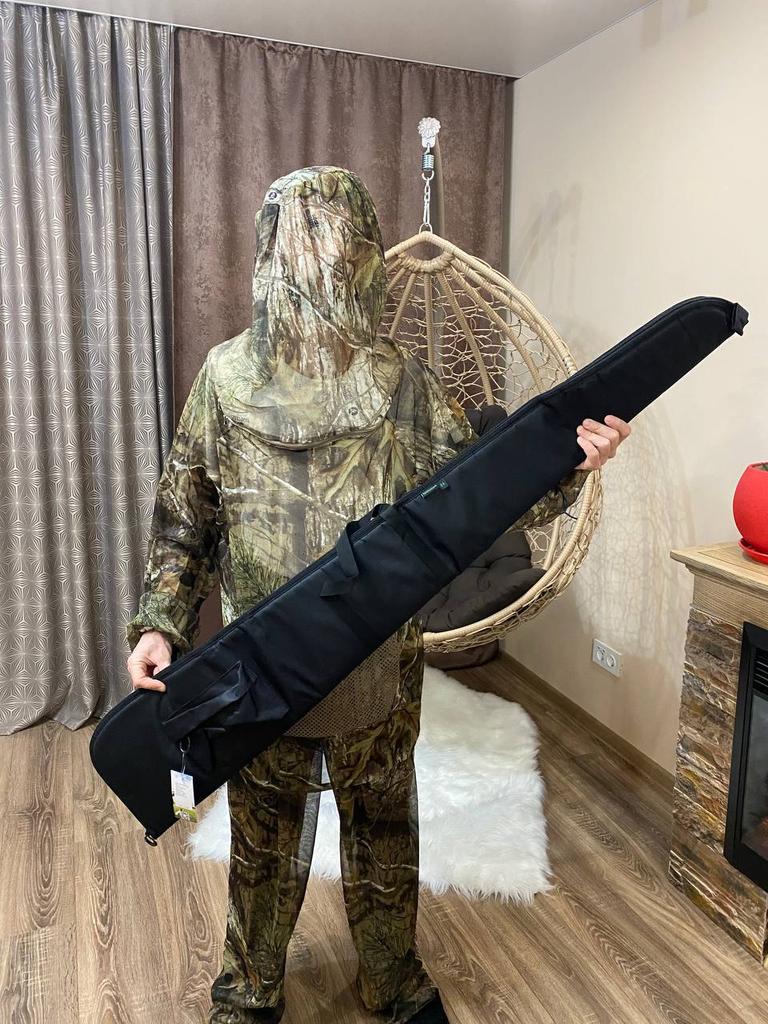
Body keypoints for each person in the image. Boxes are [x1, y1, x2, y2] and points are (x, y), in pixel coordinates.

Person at [126, 166, 631, 1023]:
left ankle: (392, 980)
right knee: (262, 841)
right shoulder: (224, 379)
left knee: (385, 833)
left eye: (339, 248)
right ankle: (248, 991)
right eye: (306, 247)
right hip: (265, 671)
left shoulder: (403, 384)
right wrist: (161, 624)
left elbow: (483, 493)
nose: (323, 267)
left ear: (364, 255)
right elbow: (188, 514)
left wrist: (570, 463)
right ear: (274, 255)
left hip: (377, 668)